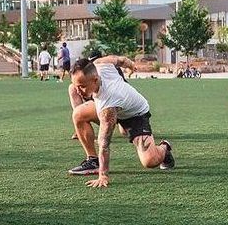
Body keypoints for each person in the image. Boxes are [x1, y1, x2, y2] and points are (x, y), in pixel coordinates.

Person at [67, 56, 174, 184]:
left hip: (135, 115)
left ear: (95, 80)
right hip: (117, 108)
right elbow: (122, 60)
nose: (79, 91)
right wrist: (131, 66)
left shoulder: (108, 104)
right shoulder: (100, 64)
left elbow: (104, 144)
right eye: (77, 86)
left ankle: (164, 148)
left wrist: (103, 175)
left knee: (149, 161)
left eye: (82, 86)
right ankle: (93, 160)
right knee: (78, 113)